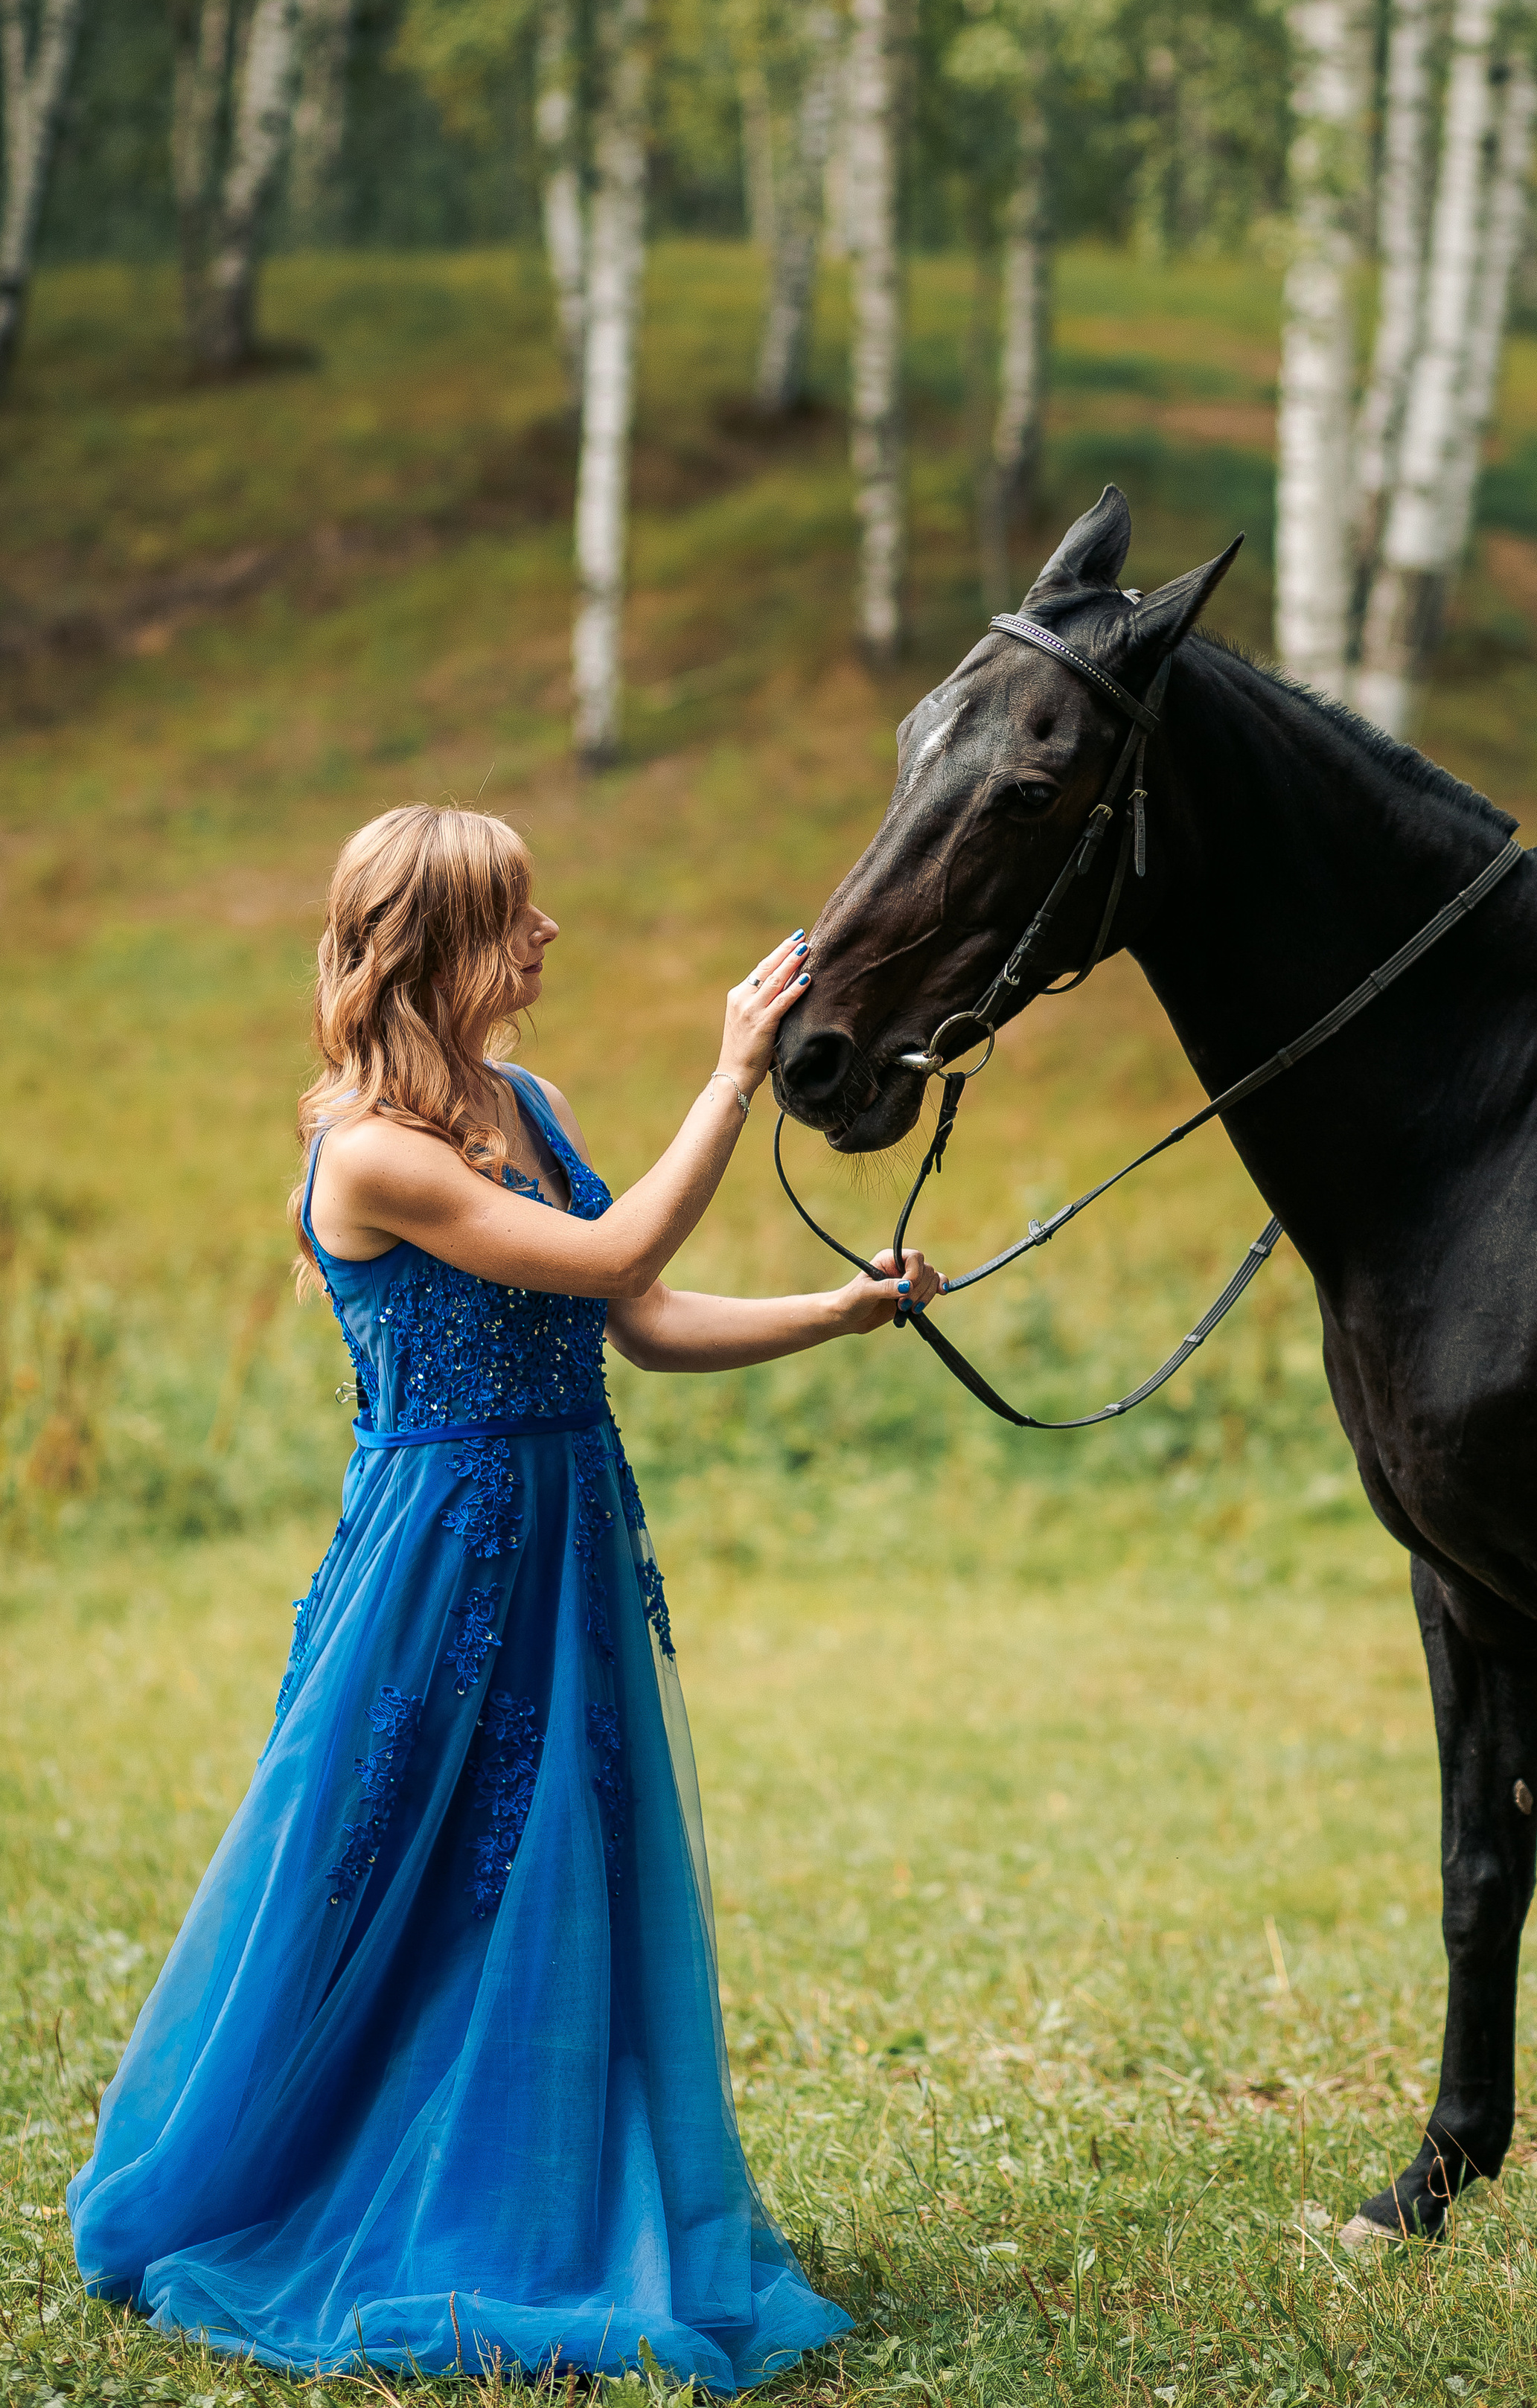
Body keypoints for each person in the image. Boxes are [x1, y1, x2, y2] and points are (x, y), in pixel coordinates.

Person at [67, 803, 941, 2388]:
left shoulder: (520, 1100)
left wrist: (845, 1306)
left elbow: (647, 1322)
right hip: (437, 1556)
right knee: (394, 1870)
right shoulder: (375, 1148)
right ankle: (313, 2185)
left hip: (569, 1530)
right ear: (437, 944)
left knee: (560, 1865)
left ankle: (542, 2181)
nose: (545, 938)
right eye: (516, 916)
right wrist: (734, 1071)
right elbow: (611, 1257)